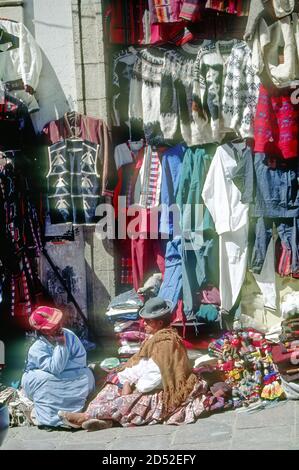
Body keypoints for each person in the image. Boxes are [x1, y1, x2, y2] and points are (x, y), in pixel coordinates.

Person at [58, 297, 208, 431]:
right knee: (112, 385)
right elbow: (140, 365)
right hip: (142, 382)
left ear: (160, 322)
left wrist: (134, 387)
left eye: (148, 321)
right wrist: (126, 380)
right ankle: (103, 420)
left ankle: (84, 417)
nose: (144, 323)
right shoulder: (153, 340)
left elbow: (156, 376)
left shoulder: (166, 344)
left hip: (161, 391)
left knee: (128, 400)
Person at [21, 306, 95, 429]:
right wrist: (61, 344)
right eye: (53, 325)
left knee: (87, 374)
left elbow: (81, 360)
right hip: (49, 379)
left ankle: (74, 415)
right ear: (44, 331)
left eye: (58, 322)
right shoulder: (37, 347)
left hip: (72, 375)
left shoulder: (70, 335)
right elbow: (56, 368)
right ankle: (53, 418)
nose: (59, 326)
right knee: (44, 379)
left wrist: (62, 368)